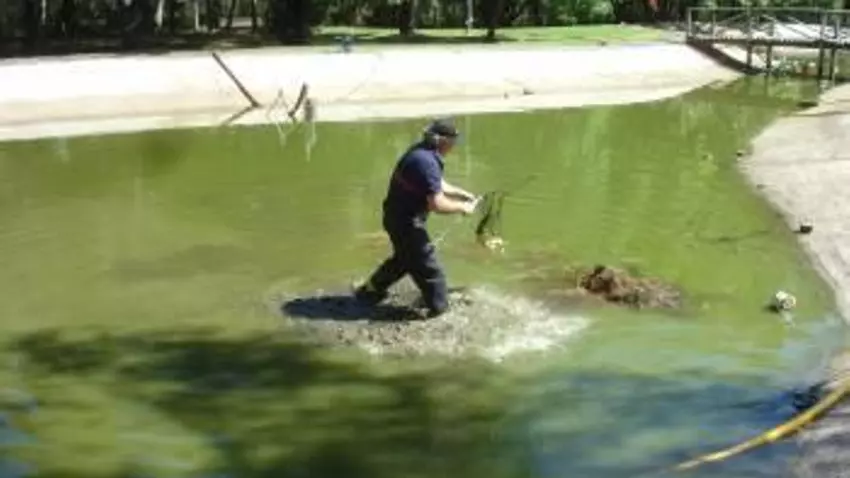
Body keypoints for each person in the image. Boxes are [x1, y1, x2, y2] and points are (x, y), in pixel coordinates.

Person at [354, 118, 479, 318]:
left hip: (396, 217)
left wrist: (461, 194)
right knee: (431, 271)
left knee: (405, 259)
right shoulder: (426, 162)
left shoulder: (423, 153)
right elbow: (437, 204)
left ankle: (370, 289)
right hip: (405, 223)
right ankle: (439, 310)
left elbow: (437, 184)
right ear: (442, 141)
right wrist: (462, 207)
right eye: (453, 142)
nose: (454, 146)